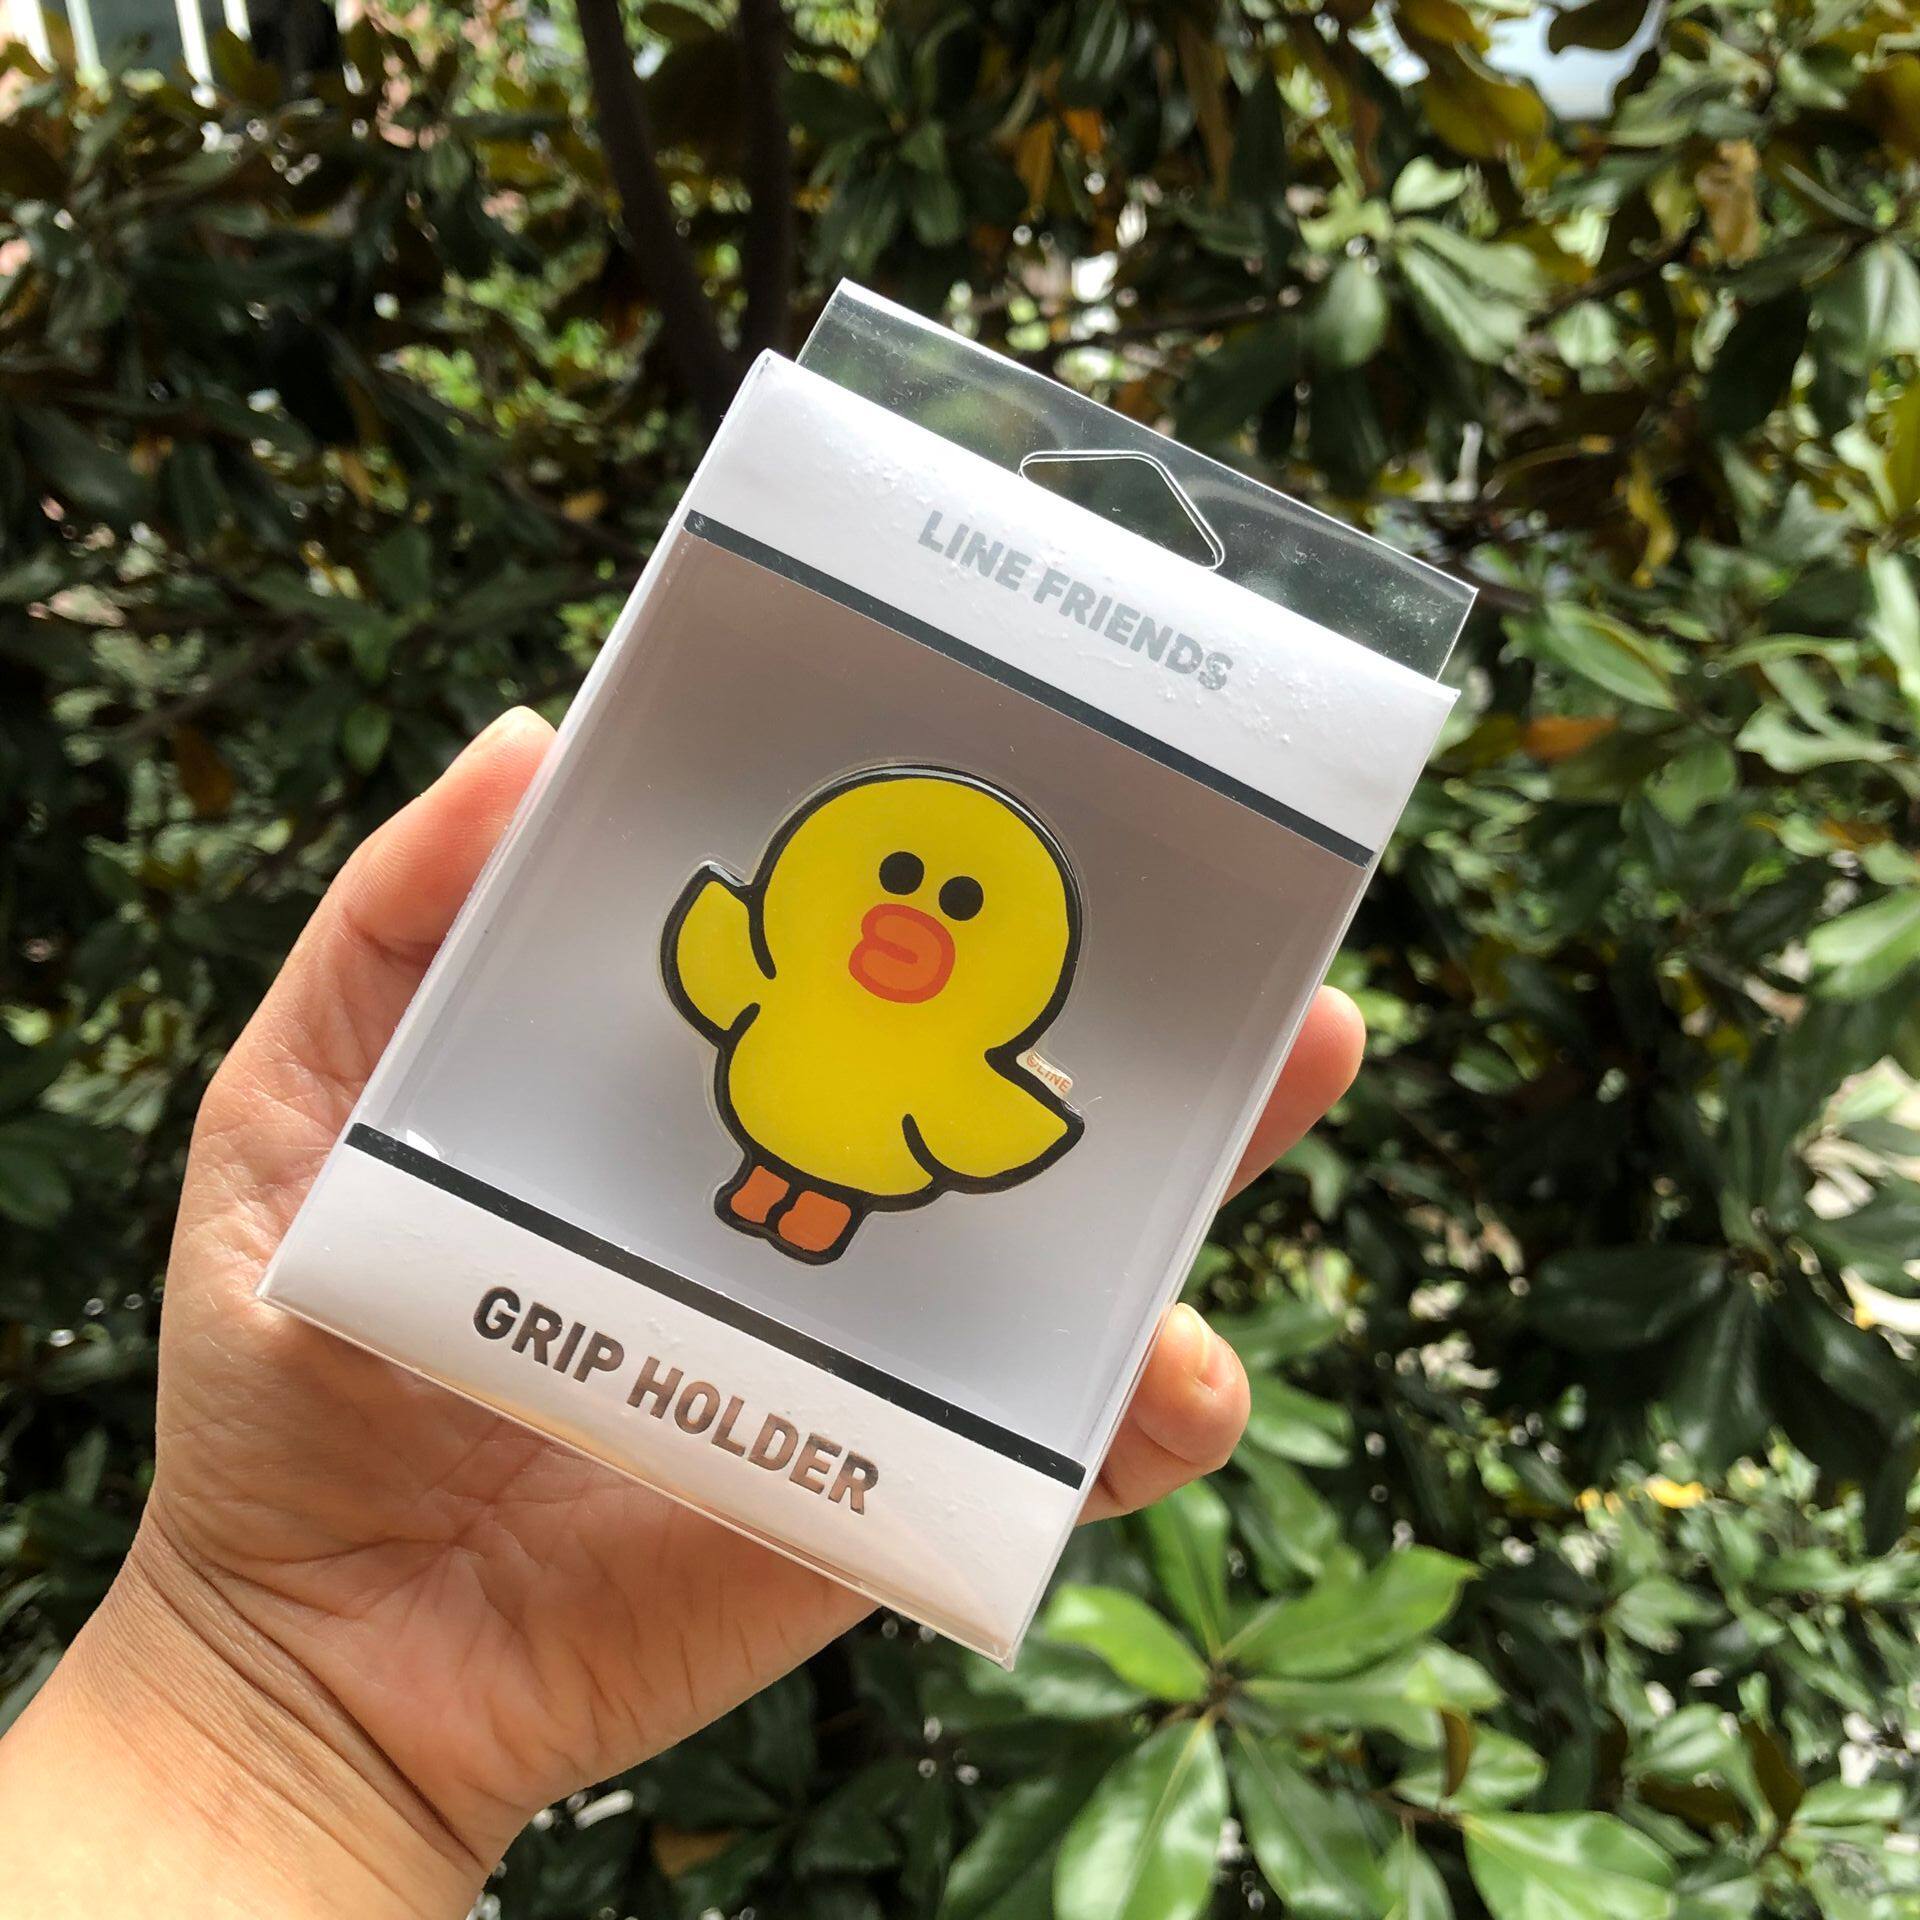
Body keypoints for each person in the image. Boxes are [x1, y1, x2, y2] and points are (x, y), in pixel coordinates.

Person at [0, 711, 1365, 1918]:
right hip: (754, 1120)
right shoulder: (781, 962)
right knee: (798, 1169)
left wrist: (290, 1697)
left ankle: (802, 1196)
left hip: (846, 1163)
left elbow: (980, 1116)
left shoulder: (955, 1058)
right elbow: (728, 964)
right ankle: (781, 1185)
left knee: (862, 1203)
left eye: (958, 904)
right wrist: (267, 1660)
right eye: (900, 879)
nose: (916, 918)